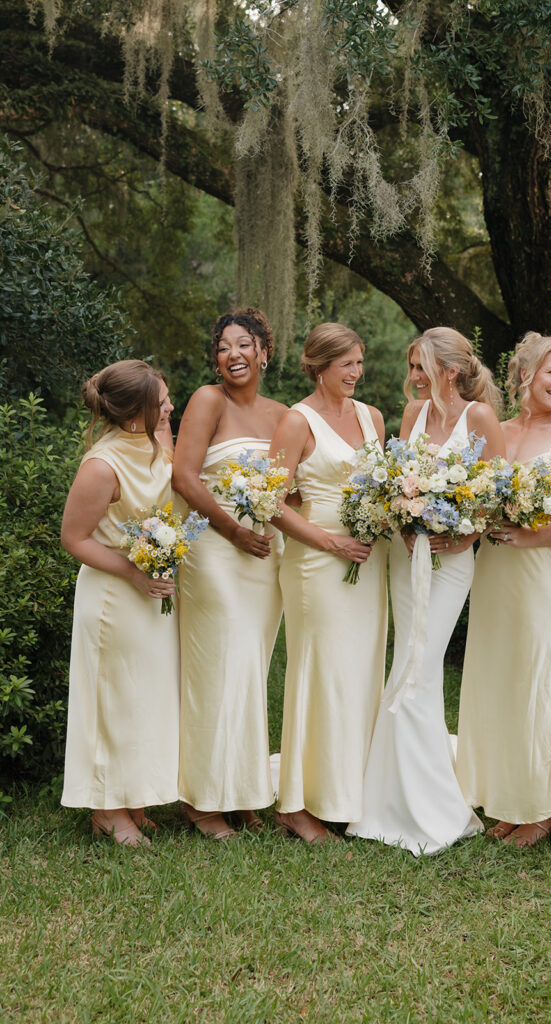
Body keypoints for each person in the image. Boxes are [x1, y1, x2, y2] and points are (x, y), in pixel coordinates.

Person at [347, 326, 505, 855]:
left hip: (451, 562)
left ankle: (428, 807)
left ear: (451, 371)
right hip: (405, 554)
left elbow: (494, 491)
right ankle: (389, 796)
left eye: (420, 367)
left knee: (421, 660)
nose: (412, 377)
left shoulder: (477, 417)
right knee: (408, 660)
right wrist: (399, 511)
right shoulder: (413, 416)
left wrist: (464, 535)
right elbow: (395, 478)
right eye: (411, 366)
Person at [456, 334, 551, 846]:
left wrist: (533, 533)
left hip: (543, 574)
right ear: (526, 374)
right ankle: (508, 799)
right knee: (499, 678)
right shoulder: (497, 429)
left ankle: (542, 810)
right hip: (494, 569)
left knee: (536, 681)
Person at [270, 323, 388, 843]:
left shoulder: (373, 417)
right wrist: (329, 541)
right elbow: (268, 502)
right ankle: (297, 805)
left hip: (370, 560)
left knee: (361, 673)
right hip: (316, 564)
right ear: (319, 366)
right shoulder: (296, 421)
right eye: (347, 365)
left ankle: (349, 794)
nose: (356, 374)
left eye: (360, 364)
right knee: (320, 672)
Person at [173, 308, 287, 839]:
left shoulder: (283, 414)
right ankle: (201, 800)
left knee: (249, 670)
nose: (234, 355)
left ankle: (241, 794)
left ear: (265, 352)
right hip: (215, 549)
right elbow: (183, 476)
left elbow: (290, 484)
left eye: (244, 345)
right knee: (216, 666)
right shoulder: (207, 400)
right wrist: (231, 530)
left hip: (265, 554)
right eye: (224, 347)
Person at [61, 360, 178, 846]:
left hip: (152, 594)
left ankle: (133, 798)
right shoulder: (102, 465)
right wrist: (133, 571)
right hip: (114, 596)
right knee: (112, 698)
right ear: (134, 415)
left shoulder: (157, 441)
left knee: (142, 699)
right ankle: (107, 809)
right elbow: (74, 538)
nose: (171, 405)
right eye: (162, 402)